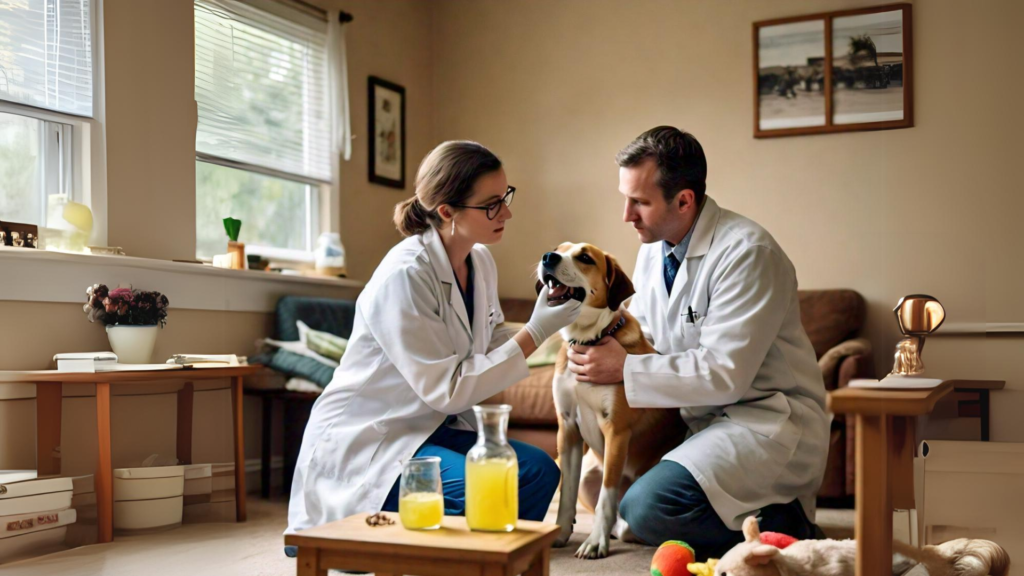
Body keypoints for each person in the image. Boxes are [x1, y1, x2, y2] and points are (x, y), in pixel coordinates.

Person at [284, 141, 582, 552]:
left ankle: (463, 550)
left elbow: (490, 340)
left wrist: (543, 317)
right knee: (488, 492)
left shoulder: (480, 262)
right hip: (377, 439)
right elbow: (447, 388)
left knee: (537, 472)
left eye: (506, 197)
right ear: (447, 211)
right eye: (492, 204)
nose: (507, 213)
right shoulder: (404, 275)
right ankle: (355, 540)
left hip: (432, 430)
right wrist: (536, 331)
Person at [567, 126, 830, 559]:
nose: (626, 215)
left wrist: (625, 368)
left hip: (762, 419)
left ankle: (788, 524)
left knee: (646, 507)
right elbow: (648, 333)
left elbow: (725, 373)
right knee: (597, 490)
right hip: (694, 420)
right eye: (625, 197)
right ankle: (739, 516)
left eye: (639, 202)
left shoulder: (748, 253)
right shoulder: (655, 246)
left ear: (684, 200)